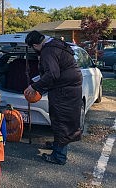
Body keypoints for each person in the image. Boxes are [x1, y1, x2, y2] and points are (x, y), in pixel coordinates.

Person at [24, 30, 83, 165]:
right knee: (60, 120)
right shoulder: (56, 43)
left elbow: (52, 75)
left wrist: (34, 87)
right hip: (68, 88)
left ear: (35, 45)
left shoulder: (48, 51)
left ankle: (59, 156)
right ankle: (57, 145)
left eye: (33, 48)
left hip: (64, 90)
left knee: (61, 121)